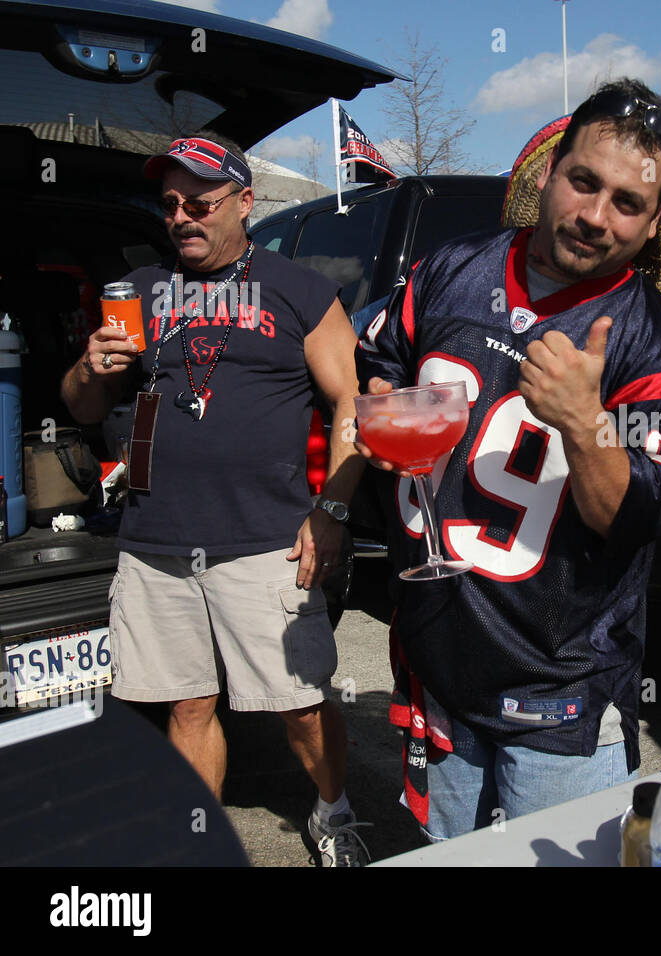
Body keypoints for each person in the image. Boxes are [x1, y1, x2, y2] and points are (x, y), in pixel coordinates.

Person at [355, 80, 661, 840]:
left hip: (560, 689)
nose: (594, 216)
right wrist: (381, 420)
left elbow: (638, 519)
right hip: (440, 652)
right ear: (548, 176)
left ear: (652, 227)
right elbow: (377, 361)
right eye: (584, 182)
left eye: (626, 203)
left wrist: (584, 424)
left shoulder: (654, 346)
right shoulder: (454, 267)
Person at [59, 134, 370, 866]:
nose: (181, 217)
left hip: (266, 538)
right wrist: (89, 365)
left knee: (298, 703)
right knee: (187, 703)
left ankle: (334, 810)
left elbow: (352, 403)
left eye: (198, 202)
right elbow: (78, 406)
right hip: (155, 541)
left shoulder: (299, 289)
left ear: (243, 201)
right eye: (169, 204)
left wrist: (334, 510)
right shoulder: (137, 291)